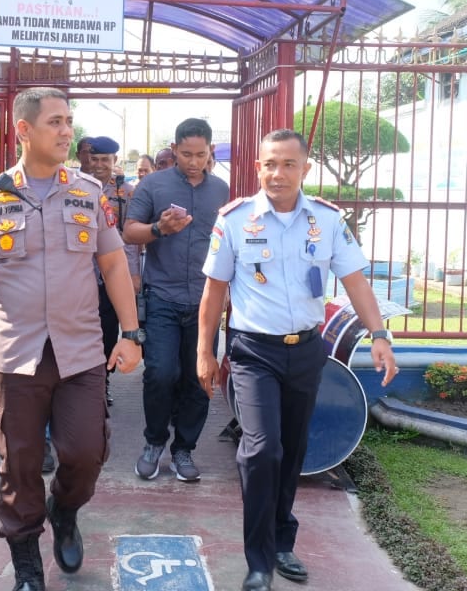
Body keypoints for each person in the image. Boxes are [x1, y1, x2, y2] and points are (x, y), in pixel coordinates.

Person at [0, 87, 143, 591]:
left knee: (86, 452)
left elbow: (114, 264)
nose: (67, 131)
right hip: (16, 353)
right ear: (24, 130)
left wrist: (131, 333)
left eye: (69, 121)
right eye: (55, 122)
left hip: (81, 351)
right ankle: (27, 564)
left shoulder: (89, 193)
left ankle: (65, 509)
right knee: (21, 462)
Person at [196, 129, 399, 591]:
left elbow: (355, 282)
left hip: (306, 351)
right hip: (253, 352)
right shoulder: (235, 220)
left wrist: (379, 335)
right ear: (258, 168)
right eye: (270, 164)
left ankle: (282, 541)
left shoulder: (326, 220)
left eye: (289, 164)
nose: (278, 173)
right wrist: (204, 351)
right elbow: (214, 291)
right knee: (261, 449)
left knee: (291, 450)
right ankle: (259, 561)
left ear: (305, 169)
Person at [123, 118, 229, 483]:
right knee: (160, 373)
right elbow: (129, 231)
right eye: (186, 154)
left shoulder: (221, 191)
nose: (194, 162)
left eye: (201, 155)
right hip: (163, 297)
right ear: (174, 149)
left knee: (199, 377)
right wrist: (159, 228)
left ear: (210, 151)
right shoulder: (153, 185)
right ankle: (154, 442)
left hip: (204, 301)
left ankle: (184, 449)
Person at [86, 136, 141, 406]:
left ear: (114, 160)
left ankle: (103, 382)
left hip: (111, 276)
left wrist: (133, 273)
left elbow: (130, 238)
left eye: (105, 160)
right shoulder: (76, 189)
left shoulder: (125, 193)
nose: (99, 165)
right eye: (94, 159)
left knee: (108, 332)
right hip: (82, 275)